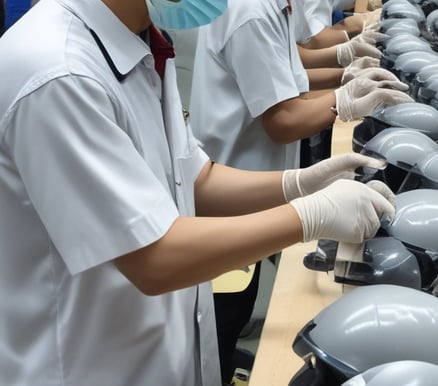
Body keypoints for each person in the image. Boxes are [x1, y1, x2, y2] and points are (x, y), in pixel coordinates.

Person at [0, 0, 396, 385]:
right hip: (87, 364)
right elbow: (153, 258)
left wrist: (300, 183)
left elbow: (194, 179)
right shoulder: (58, 73)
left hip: (153, 347)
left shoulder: (139, 41)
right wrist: (308, 216)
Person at [188, 0, 410, 383]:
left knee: (235, 300)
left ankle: (221, 359)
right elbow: (284, 119)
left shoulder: (271, 6)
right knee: (223, 308)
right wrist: (342, 100)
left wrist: (345, 71)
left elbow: (284, 69)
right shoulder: (251, 12)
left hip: (248, 181)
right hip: (235, 186)